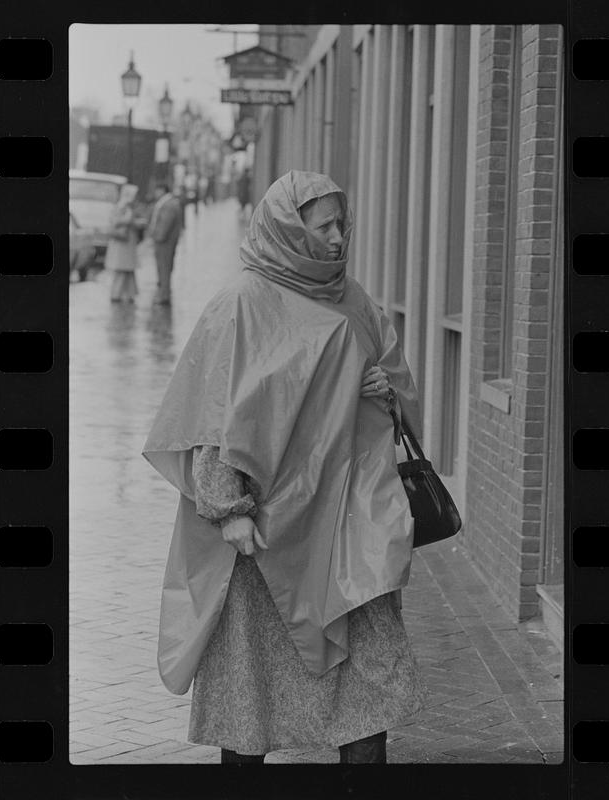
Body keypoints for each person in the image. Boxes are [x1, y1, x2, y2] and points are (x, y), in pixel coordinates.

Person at [143, 171, 427, 765]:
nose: (337, 239)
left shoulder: (354, 300)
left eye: (341, 225)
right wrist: (228, 512)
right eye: (322, 227)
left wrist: (384, 387)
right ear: (288, 228)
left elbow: (396, 386)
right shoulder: (243, 304)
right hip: (266, 534)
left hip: (349, 525)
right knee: (252, 695)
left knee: (368, 687)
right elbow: (213, 418)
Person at [148, 183, 183, 305]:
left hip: (165, 242)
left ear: (162, 190)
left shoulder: (168, 204)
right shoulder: (169, 202)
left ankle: (164, 296)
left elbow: (165, 224)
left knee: (164, 268)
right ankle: (163, 293)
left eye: (157, 190)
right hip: (167, 241)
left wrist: (158, 237)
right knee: (165, 268)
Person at [106, 183, 141, 303]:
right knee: (122, 270)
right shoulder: (122, 206)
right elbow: (115, 221)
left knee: (128, 271)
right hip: (122, 244)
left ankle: (129, 294)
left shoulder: (126, 206)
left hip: (126, 244)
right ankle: (117, 294)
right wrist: (130, 219)